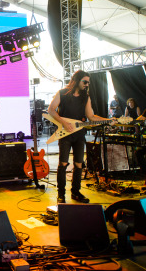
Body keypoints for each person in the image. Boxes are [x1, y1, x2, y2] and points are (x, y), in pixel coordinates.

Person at [48, 70, 113, 204]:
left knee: (79, 164)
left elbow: (91, 116)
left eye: (88, 82)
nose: (87, 84)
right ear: (76, 80)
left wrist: (108, 120)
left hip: (79, 134)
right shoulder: (62, 93)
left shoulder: (86, 97)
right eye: (85, 81)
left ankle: (75, 192)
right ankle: (61, 194)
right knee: (63, 163)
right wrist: (64, 122)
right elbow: (51, 110)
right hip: (65, 134)